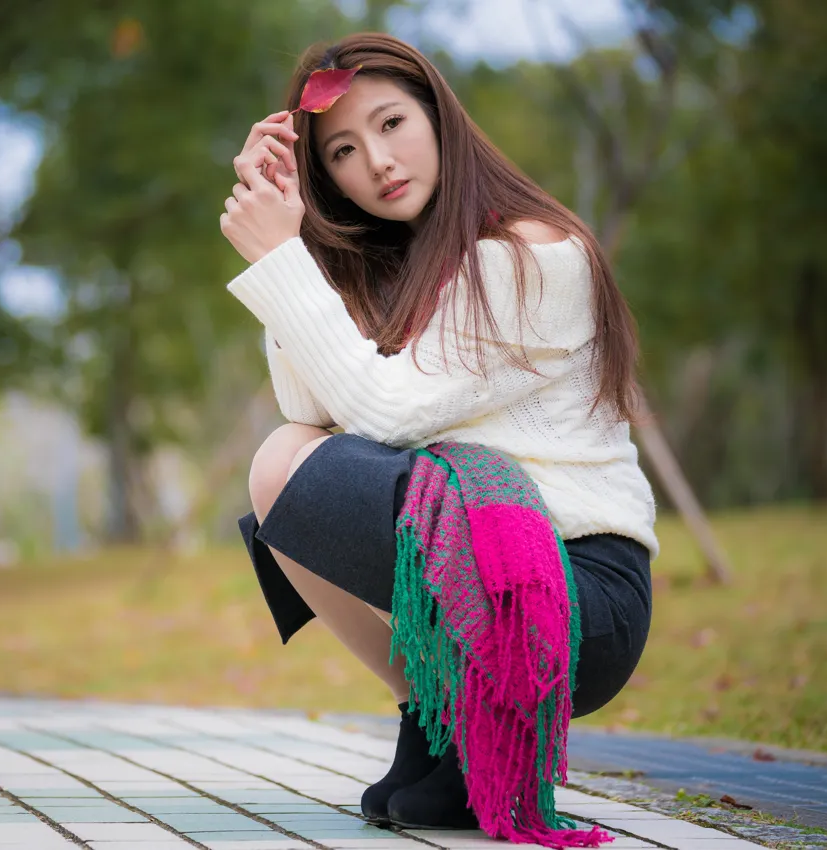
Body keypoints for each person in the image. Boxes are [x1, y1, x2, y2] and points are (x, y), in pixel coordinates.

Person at [219, 32, 657, 832]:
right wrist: (301, 246)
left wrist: (281, 262)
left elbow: (383, 416)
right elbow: (308, 413)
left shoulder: (531, 254)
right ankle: (436, 723)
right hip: (497, 560)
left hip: (578, 594)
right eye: (343, 151)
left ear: (439, 116)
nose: (377, 162)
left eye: (392, 124)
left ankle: (475, 732)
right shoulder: (417, 266)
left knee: (287, 469)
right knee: (283, 481)